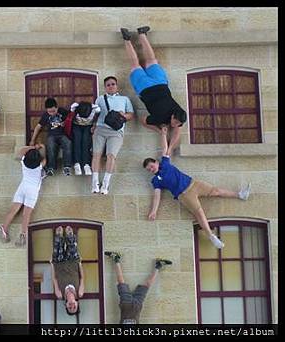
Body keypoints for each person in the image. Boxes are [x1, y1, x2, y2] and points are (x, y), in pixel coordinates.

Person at [144, 127, 252, 249]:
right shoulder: (155, 181)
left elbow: (164, 148)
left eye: (152, 166)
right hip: (184, 195)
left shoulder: (164, 163)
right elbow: (157, 196)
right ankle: (212, 236)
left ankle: (240, 195)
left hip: (193, 184)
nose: (151, 170)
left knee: (215, 191)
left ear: (156, 163)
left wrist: (163, 134)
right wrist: (153, 211)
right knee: (199, 213)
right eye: (149, 170)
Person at [121, 26, 187, 156]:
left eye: (178, 123)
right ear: (173, 117)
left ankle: (130, 38)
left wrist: (168, 146)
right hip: (148, 87)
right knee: (143, 62)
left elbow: (176, 131)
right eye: (176, 122)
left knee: (142, 62)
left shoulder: (177, 111)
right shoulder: (161, 118)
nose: (175, 125)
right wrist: (159, 130)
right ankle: (139, 35)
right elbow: (144, 120)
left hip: (156, 85)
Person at [91, 76, 134, 194]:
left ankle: (106, 183)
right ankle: (95, 182)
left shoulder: (124, 99)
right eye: (108, 85)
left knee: (111, 156)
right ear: (105, 87)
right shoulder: (100, 99)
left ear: (117, 85)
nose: (111, 86)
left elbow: (131, 115)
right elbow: (96, 115)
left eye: (113, 84)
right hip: (100, 129)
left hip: (116, 131)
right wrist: (94, 125)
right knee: (96, 155)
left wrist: (123, 115)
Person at [0, 144, 46, 247]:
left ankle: (4, 228)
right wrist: (42, 147)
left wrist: (33, 147)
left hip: (22, 187)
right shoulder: (40, 165)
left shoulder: (24, 161)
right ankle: (23, 234)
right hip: (32, 191)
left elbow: (21, 151)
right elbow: (45, 157)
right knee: (26, 214)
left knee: (13, 210)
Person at [105, 251, 172, 324]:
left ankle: (116, 258)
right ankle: (158, 265)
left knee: (121, 281)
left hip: (127, 303)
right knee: (146, 285)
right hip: (136, 304)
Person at [29, 98, 72, 177]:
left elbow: (71, 118)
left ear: (57, 108)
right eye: (49, 112)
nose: (51, 113)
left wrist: (65, 123)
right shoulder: (45, 115)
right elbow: (38, 127)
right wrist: (32, 140)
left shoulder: (62, 111)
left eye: (53, 111)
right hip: (52, 135)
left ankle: (67, 166)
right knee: (50, 144)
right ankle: (51, 167)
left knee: (67, 143)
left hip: (62, 134)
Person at [50, 225, 84, 316]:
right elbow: (82, 278)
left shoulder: (59, 295)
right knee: (72, 243)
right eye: (74, 307)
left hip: (59, 264)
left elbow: (54, 279)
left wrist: (52, 264)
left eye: (70, 308)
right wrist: (80, 263)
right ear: (77, 304)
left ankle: (59, 235)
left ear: (66, 305)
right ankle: (69, 234)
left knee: (58, 243)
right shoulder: (79, 293)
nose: (72, 306)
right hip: (73, 263)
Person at [70, 101, 101, 176]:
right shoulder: (74, 107)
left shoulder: (96, 109)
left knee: (86, 142)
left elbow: (98, 117)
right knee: (77, 141)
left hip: (88, 126)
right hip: (77, 125)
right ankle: (77, 163)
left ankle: (86, 164)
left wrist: (94, 125)